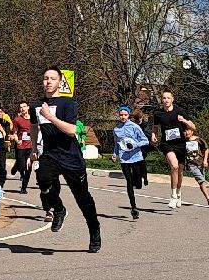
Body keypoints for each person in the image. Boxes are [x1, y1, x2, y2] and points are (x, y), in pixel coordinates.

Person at [35, 67, 100, 252]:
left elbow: (71, 130)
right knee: (43, 180)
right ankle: (59, 209)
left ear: (59, 82)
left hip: (71, 157)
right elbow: (34, 125)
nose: (48, 81)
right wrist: (33, 147)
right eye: (46, 78)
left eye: (52, 78)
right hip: (50, 154)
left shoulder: (68, 103)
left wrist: (50, 117)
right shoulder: (36, 105)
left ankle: (94, 231)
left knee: (83, 199)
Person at [151, 89, 196, 208]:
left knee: (180, 172)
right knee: (174, 166)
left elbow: (193, 126)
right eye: (164, 98)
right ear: (162, 100)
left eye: (168, 98)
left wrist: (184, 120)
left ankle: (179, 193)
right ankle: (173, 196)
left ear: (172, 99)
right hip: (167, 144)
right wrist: (154, 134)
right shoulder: (158, 114)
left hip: (180, 144)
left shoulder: (179, 111)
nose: (166, 100)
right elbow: (155, 127)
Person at [112, 105, 150, 220]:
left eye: (125, 115)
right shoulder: (116, 129)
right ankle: (133, 208)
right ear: (119, 115)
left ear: (128, 115)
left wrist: (134, 145)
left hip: (136, 157)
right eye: (121, 115)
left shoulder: (135, 127)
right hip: (124, 159)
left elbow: (145, 141)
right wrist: (115, 154)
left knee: (137, 184)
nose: (123, 117)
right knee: (129, 182)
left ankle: (139, 182)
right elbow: (116, 144)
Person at [185, 128, 209, 208]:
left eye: (188, 130)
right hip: (191, 164)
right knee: (201, 181)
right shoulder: (183, 141)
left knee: (201, 183)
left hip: (200, 163)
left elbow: (206, 149)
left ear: (192, 131)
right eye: (185, 131)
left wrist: (205, 160)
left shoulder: (198, 140)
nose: (187, 132)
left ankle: (207, 199)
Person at [11, 102, 35, 193]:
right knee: (22, 167)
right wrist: (17, 141)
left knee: (28, 167)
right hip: (21, 146)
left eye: (24, 106)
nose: (23, 109)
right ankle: (17, 165)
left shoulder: (33, 118)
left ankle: (24, 187)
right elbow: (15, 133)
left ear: (28, 107)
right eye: (21, 107)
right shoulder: (17, 120)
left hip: (31, 146)